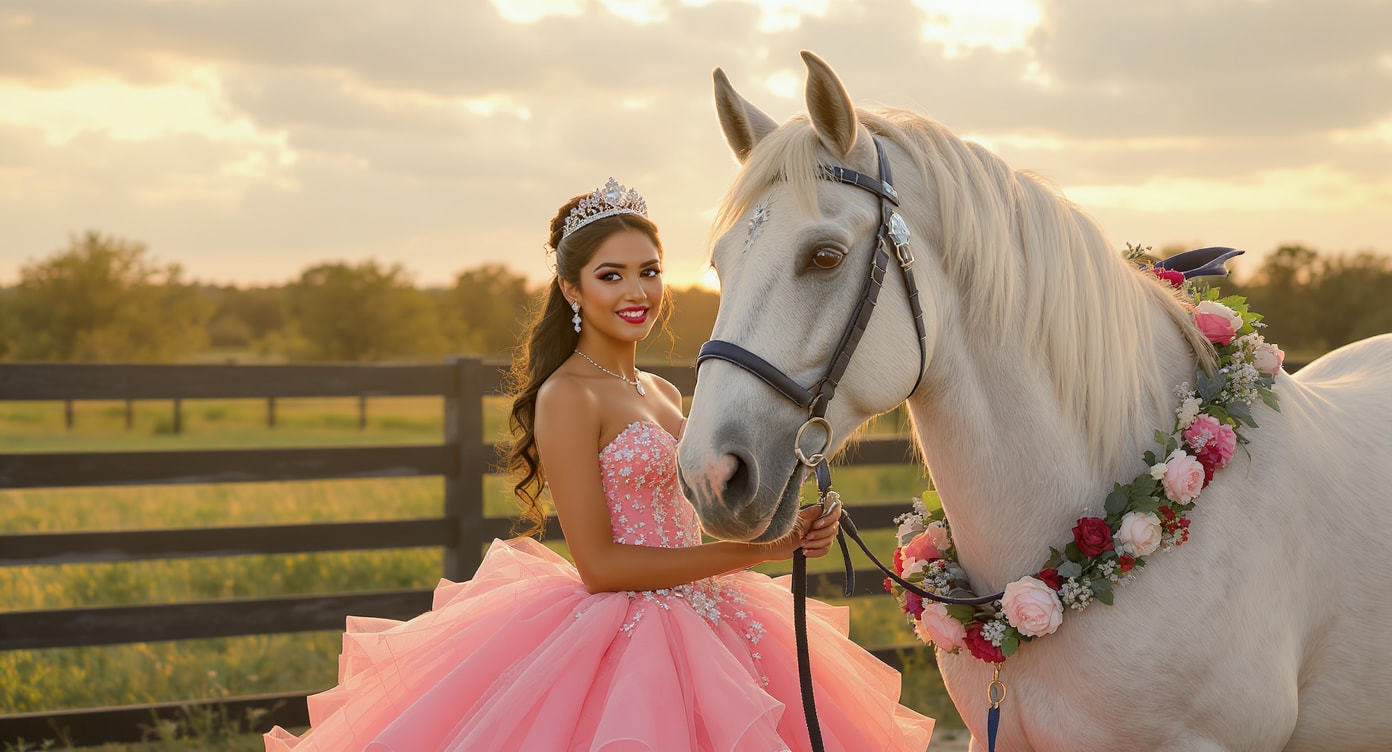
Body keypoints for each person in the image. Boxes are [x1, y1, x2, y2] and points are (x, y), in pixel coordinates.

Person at [264, 179, 935, 751]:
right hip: (620, 636)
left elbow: (703, 517)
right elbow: (603, 567)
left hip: (713, 615)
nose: (635, 290)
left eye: (648, 270)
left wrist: (786, 531)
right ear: (571, 289)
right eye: (610, 276)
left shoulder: (666, 393)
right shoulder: (566, 396)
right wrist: (754, 554)